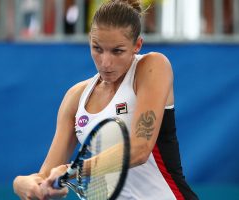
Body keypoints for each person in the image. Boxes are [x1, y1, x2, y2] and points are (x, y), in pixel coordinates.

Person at [13, 0, 199, 199]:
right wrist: (22, 184)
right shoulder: (76, 96)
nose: (105, 62)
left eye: (117, 51)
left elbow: (139, 149)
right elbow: (46, 175)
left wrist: (74, 169)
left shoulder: (153, 66)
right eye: (97, 48)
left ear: (137, 45)